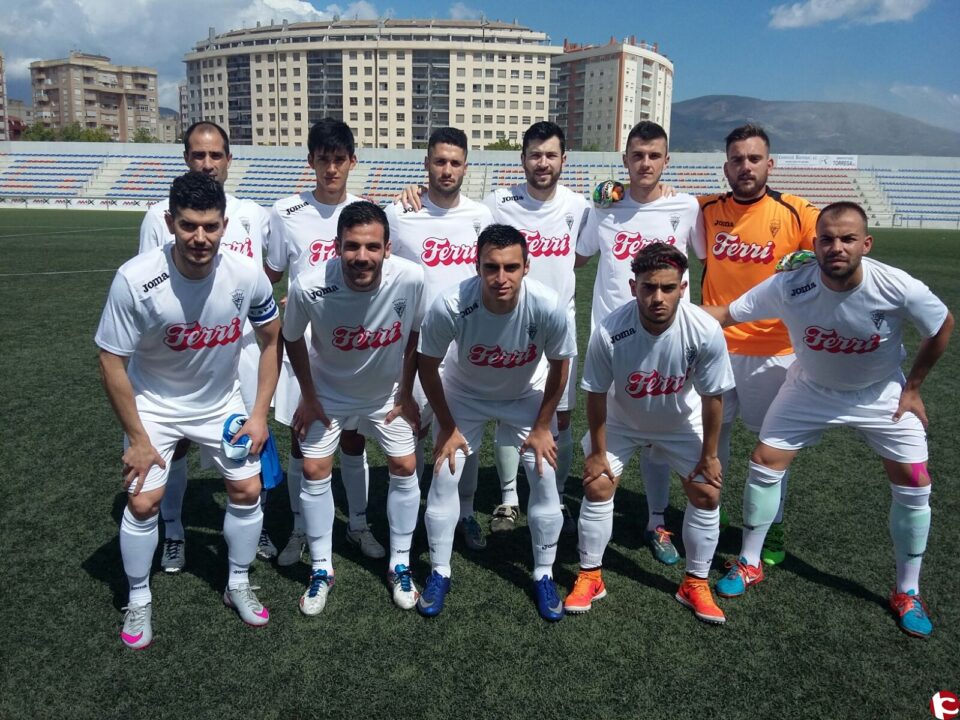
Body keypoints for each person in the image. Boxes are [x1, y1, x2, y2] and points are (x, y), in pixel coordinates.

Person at [703, 202, 953, 638]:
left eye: (848, 239)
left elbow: (942, 325)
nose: (837, 247)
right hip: (809, 389)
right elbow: (727, 314)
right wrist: (660, 311)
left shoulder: (896, 286)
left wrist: (912, 387)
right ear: (814, 243)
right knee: (764, 462)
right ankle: (749, 562)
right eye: (828, 239)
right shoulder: (789, 285)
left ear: (866, 244)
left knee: (915, 481)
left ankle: (907, 591)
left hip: (880, 395)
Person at [96, 171, 282, 649]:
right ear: (170, 221)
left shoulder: (246, 274)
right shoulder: (135, 280)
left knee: (246, 489)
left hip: (220, 402)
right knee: (142, 503)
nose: (200, 238)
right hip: (154, 406)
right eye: (188, 226)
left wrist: (259, 413)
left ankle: (238, 582)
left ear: (224, 224)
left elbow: (270, 339)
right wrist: (138, 437)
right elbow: (110, 360)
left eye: (210, 226)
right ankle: (138, 598)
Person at [566, 244, 733, 623]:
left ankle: (695, 582)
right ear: (632, 286)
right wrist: (597, 452)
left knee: (707, 491)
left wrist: (709, 455)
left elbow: (712, 397)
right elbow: (594, 393)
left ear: (682, 287)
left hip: (679, 423)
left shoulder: (704, 329)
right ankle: (591, 575)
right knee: (597, 484)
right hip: (621, 421)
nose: (657, 297)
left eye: (668, 288)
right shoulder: (609, 330)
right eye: (648, 287)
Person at [416, 224, 575, 621]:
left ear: (526, 267)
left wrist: (542, 426)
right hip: (464, 395)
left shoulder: (548, 305)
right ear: (476, 265)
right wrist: (449, 427)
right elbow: (427, 365)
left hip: (524, 396)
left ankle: (542, 573)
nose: (500, 278)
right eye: (491, 267)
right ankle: (439, 571)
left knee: (543, 476)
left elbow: (560, 366)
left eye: (510, 267)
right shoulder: (451, 303)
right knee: (444, 475)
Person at [138, 120, 276, 570]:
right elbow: (146, 291)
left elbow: (263, 278)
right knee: (174, 446)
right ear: (186, 158)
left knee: (250, 440)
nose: (207, 163)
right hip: (181, 358)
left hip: (240, 352)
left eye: (215, 155)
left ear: (229, 160)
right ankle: (174, 528)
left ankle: (253, 529)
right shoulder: (160, 215)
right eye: (198, 155)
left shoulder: (252, 215)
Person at [283, 201, 425, 613]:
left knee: (404, 466)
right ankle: (322, 568)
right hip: (328, 394)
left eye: (372, 247)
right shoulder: (309, 285)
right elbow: (292, 338)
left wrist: (407, 392)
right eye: (352, 247)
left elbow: (415, 334)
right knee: (313, 469)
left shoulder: (411, 278)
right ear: (336, 246)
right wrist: (308, 396)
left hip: (386, 395)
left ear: (388, 248)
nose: (362, 257)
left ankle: (400, 563)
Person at [575, 120, 706, 566]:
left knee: (660, 435)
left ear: (667, 160)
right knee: (615, 435)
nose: (645, 163)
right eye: (637, 155)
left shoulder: (686, 207)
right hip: (613, 342)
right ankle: (601, 525)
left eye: (654, 156)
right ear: (625, 160)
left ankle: (655, 521)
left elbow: (710, 261)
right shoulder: (604, 207)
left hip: (669, 341)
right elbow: (576, 257)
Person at [699, 124, 820, 565]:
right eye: (737, 159)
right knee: (713, 440)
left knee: (773, 448)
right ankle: (712, 511)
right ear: (726, 165)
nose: (745, 167)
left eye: (754, 159)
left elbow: (836, 242)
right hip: (714, 344)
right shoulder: (707, 209)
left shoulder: (796, 211)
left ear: (770, 163)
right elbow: (658, 209)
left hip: (774, 350)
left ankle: (770, 528)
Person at [266, 119, 384, 565]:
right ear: (310, 161)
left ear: (352, 161)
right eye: (323, 159)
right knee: (302, 441)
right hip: (305, 350)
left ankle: (357, 524)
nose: (331, 168)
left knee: (354, 441)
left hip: (357, 350)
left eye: (339, 159)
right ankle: (299, 529)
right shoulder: (286, 212)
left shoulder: (369, 212)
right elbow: (273, 274)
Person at [386, 127, 494, 551]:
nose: (446, 170)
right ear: (426, 164)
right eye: (439, 161)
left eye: (455, 162)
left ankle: (464, 513)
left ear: (465, 167)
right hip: (414, 346)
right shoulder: (400, 213)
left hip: (466, 347)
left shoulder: (480, 216)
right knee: (409, 429)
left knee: (461, 437)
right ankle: (408, 514)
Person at [481, 121, 591, 535]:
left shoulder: (580, 207)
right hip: (507, 330)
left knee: (560, 420)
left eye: (550, 155)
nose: (542, 163)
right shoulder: (497, 202)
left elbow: (581, 258)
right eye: (534, 155)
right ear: (522, 159)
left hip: (559, 331)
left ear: (564, 160)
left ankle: (555, 496)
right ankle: (508, 499)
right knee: (510, 417)